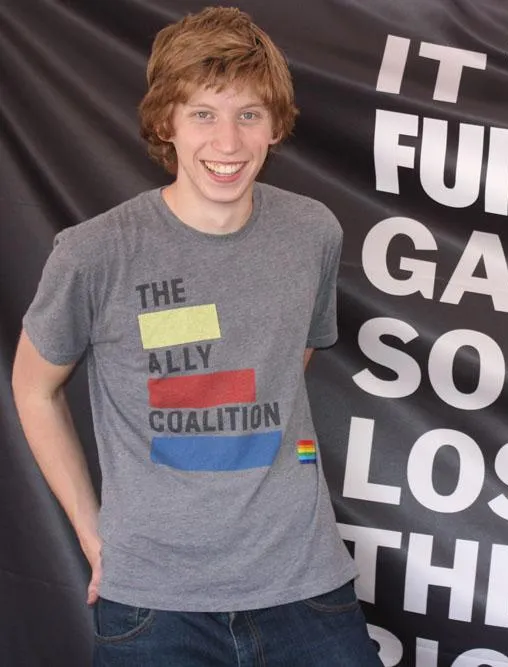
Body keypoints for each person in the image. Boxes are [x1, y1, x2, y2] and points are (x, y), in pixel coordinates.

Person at [11, 7, 382, 666]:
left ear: (276, 125)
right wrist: (93, 534)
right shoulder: (94, 253)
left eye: (249, 114)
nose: (228, 142)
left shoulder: (312, 233)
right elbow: (34, 388)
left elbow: (283, 363)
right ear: (167, 123)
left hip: (306, 589)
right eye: (204, 113)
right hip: (154, 608)